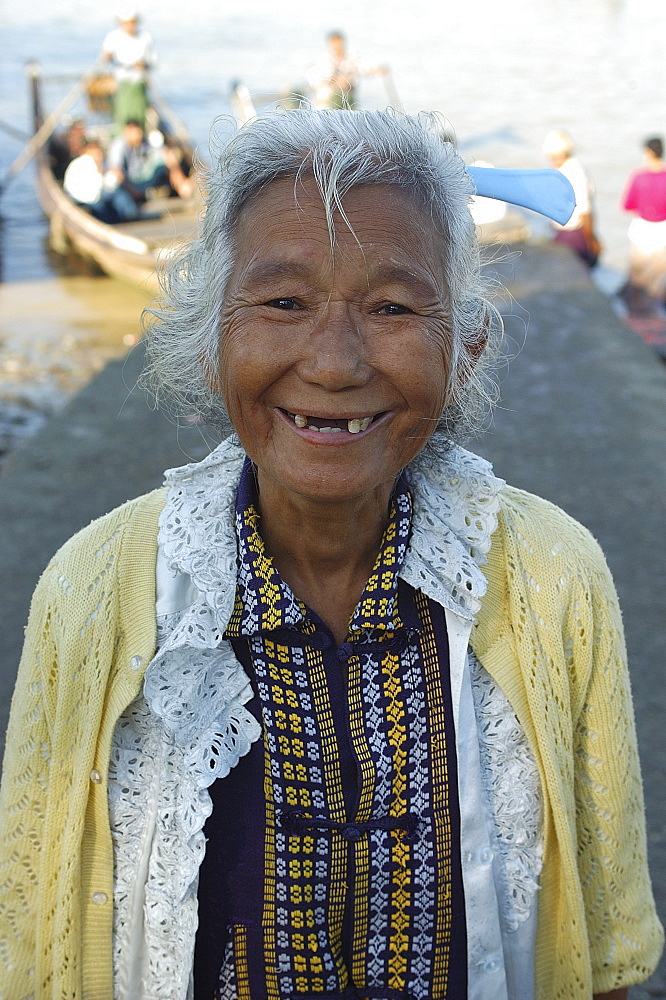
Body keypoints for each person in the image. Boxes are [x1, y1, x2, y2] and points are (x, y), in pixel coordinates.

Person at [0, 109, 662, 1000]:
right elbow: (37, 944)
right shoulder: (92, 589)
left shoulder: (553, 576)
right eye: (282, 302)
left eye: (392, 307)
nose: (336, 362)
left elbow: (605, 948)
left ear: (463, 348)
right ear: (211, 336)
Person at [105, 118, 193, 220]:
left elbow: (160, 152)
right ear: (127, 132)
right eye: (134, 132)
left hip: (142, 178)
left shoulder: (143, 142)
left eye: (139, 132)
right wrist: (132, 190)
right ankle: (182, 186)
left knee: (167, 155)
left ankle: (181, 185)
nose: (138, 135)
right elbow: (116, 170)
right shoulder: (119, 145)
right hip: (129, 183)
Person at [542, 129, 602, 267]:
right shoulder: (566, 170)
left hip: (574, 235)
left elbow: (584, 212)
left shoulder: (574, 172)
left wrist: (591, 240)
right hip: (565, 233)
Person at [620, 135, 666, 309]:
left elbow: (627, 205)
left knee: (637, 278)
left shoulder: (639, 177)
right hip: (662, 233)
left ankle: (634, 309)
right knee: (657, 282)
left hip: (642, 232)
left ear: (647, 152)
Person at [100, 7, 156, 128]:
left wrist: (143, 65)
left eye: (132, 22)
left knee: (139, 111)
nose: (130, 26)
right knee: (122, 111)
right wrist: (107, 56)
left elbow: (153, 61)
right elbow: (103, 59)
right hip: (120, 81)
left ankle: (140, 133)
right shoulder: (113, 37)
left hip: (138, 82)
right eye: (126, 23)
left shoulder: (145, 38)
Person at [307, 31, 388, 109]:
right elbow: (322, 79)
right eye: (334, 43)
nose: (337, 46)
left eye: (339, 43)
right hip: (327, 102)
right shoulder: (325, 60)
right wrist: (339, 80)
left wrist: (377, 70)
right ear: (330, 44)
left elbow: (364, 68)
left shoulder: (352, 58)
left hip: (348, 101)